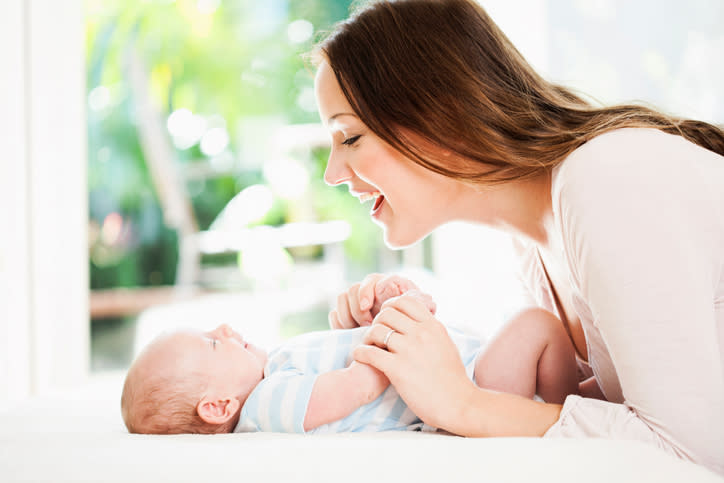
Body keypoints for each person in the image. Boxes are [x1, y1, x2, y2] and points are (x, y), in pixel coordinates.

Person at [311, 0, 724, 475]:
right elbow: (601, 419)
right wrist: (390, 364)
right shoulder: (534, 245)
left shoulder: (608, 179)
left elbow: (691, 455)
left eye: (349, 137)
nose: (331, 174)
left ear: (438, 114)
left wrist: (461, 402)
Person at [120, 277, 580, 435]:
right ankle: (574, 414)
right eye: (212, 343)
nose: (222, 328)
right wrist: (393, 326)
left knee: (535, 330)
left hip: (462, 369)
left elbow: (346, 357)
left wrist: (384, 307)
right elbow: (357, 386)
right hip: (470, 391)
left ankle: (569, 402)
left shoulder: (277, 364)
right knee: (535, 326)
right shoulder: (265, 405)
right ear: (217, 407)